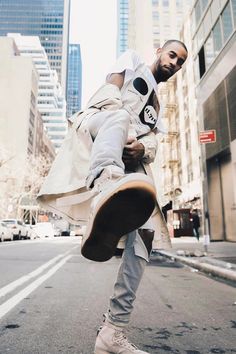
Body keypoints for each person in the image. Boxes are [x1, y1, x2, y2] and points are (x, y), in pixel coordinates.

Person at [37, 39, 188, 353]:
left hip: (127, 163)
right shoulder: (132, 60)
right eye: (172, 55)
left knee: (146, 234)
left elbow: (153, 146)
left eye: (180, 62)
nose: (174, 63)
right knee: (118, 118)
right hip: (99, 125)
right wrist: (124, 131)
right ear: (159, 49)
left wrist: (141, 147)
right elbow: (110, 90)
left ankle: (111, 332)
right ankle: (105, 188)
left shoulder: (158, 111)